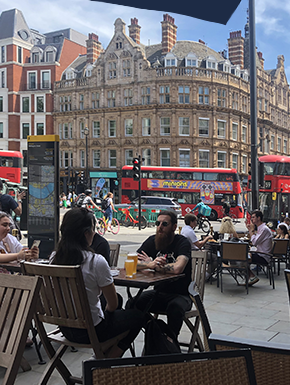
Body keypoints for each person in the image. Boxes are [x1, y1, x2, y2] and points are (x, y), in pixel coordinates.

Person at [50, 207, 144, 358]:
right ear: (86, 233)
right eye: (94, 229)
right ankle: (107, 359)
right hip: (92, 331)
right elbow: (112, 305)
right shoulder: (95, 261)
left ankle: (102, 357)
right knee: (140, 316)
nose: (95, 233)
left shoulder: (54, 257)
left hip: (65, 328)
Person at [127, 210, 192, 338]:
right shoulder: (153, 241)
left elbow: (178, 268)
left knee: (175, 308)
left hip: (181, 294)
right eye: (158, 223)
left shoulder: (182, 242)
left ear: (174, 227)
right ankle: (156, 331)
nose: (160, 227)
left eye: (164, 224)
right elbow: (131, 263)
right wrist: (149, 264)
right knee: (132, 304)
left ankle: (170, 342)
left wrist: (155, 266)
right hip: (158, 292)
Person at [181, 213, 214, 281]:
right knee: (215, 258)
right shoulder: (190, 231)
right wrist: (207, 238)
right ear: (191, 222)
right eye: (195, 221)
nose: (197, 222)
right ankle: (206, 276)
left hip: (191, 250)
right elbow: (199, 245)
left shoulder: (184, 229)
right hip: (194, 252)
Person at [245, 209, 273, 286]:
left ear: (259, 218)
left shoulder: (264, 229)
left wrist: (250, 230)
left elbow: (254, 242)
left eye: (253, 217)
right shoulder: (261, 228)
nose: (252, 219)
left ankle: (251, 276)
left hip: (263, 256)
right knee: (244, 256)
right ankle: (248, 277)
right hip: (260, 253)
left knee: (243, 258)